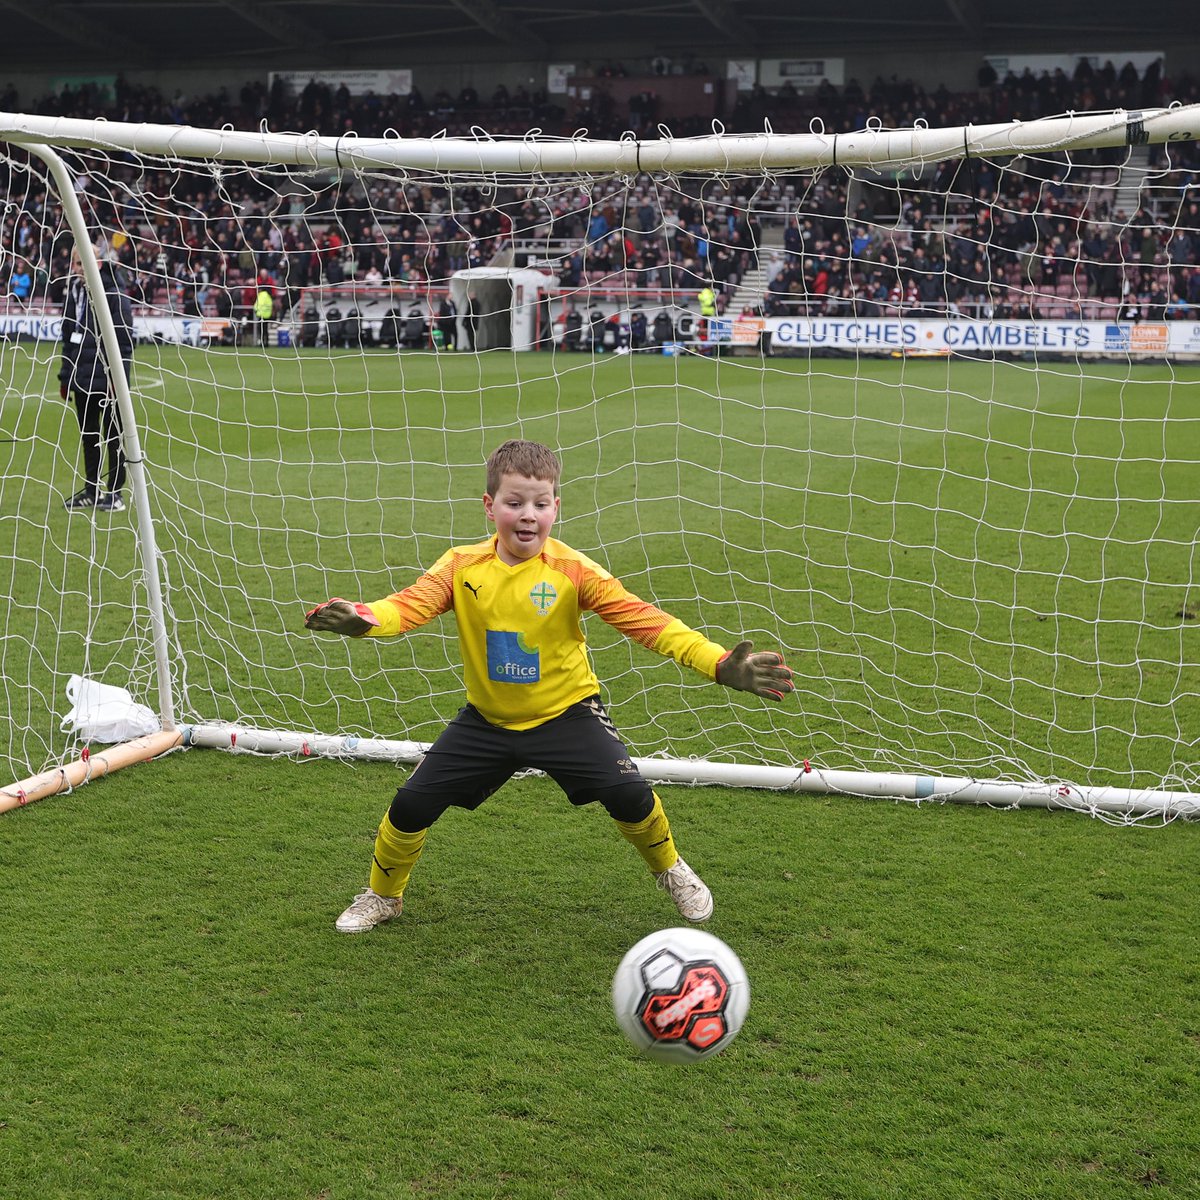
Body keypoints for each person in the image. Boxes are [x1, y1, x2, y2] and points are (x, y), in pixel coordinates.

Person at [306, 439, 794, 935]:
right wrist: (364, 619)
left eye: (541, 504)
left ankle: (670, 869)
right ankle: (383, 896)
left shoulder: (574, 571)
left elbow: (650, 624)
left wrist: (717, 664)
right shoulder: (460, 565)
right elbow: (407, 605)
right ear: (489, 505)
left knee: (628, 793)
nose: (528, 515)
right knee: (411, 804)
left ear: (556, 506)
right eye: (514, 503)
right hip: (488, 721)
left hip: (568, 714)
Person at [58, 243, 134, 513]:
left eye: (82, 263)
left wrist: (119, 378)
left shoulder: (112, 293)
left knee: (113, 437)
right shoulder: (74, 292)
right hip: (82, 379)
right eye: (75, 264)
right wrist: (65, 377)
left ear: (97, 263)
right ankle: (91, 490)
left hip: (107, 379)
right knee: (89, 437)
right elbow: (68, 338)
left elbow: (124, 341)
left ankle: (115, 493)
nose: (77, 269)